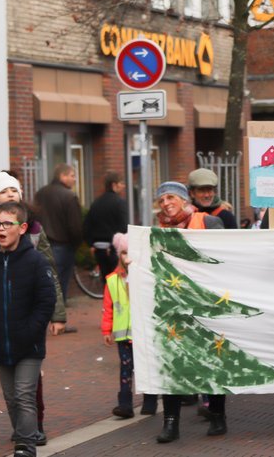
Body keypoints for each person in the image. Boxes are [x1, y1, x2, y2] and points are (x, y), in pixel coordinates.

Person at [0, 171, 66, 447]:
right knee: (13, 392)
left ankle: (31, 434)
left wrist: (56, 315)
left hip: (29, 321)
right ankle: (23, 431)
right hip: (2, 325)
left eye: (14, 192)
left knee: (27, 387)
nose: (11, 196)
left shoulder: (35, 232)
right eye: (4, 193)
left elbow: (48, 277)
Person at [152, 182, 226, 443]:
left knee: (212, 359)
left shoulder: (206, 222)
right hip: (173, 306)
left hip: (205, 303)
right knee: (172, 363)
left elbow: (224, 257)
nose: (165, 203)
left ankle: (217, 414)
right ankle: (170, 423)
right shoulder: (157, 230)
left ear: (184, 200)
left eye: (170, 197)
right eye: (161, 200)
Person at [101, 232, 157, 419]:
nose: (127, 257)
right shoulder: (112, 280)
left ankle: (150, 400)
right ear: (119, 254)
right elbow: (108, 307)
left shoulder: (146, 276)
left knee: (146, 366)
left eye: (131, 253)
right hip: (123, 334)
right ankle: (125, 404)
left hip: (142, 333)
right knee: (126, 367)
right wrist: (106, 330)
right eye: (124, 253)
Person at [34, 164, 83, 302]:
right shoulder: (70, 196)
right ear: (63, 176)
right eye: (72, 175)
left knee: (44, 281)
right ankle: (58, 319)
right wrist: (76, 244)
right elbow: (75, 226)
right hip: (63, 245)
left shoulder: (41, 193)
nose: (74, 179)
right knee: (60, 284)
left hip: (41, 244)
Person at [83, 171, 128, 282]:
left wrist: (91, 244)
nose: (123, 186)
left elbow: (87, 226)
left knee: (106, 282)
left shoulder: (96, 203)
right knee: (117, 282)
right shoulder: (119, 202)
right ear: (113, 185)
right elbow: (123, 227)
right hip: (113, 249)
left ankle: (107, 299)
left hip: (98, 248)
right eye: (121, 183)